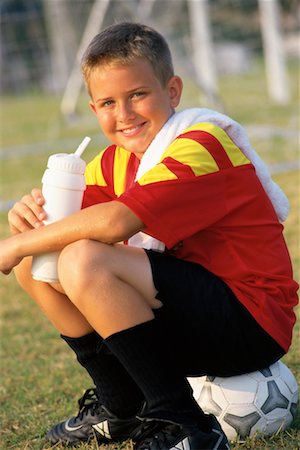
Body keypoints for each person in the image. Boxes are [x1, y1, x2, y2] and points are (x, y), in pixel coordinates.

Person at [1, 22, 298, 450]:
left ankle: (186, 425)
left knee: (84, 259)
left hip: (250, 322)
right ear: (93, 109)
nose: (123, 114)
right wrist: (28, 219)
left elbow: (114, 224)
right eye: (108, 102)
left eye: (137, 94)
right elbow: (64, 230)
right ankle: (121, 405)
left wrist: (13, 245)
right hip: (186, 319)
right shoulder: (110, 162)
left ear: (172, 91)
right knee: (40, 263)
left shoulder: (201, 144)